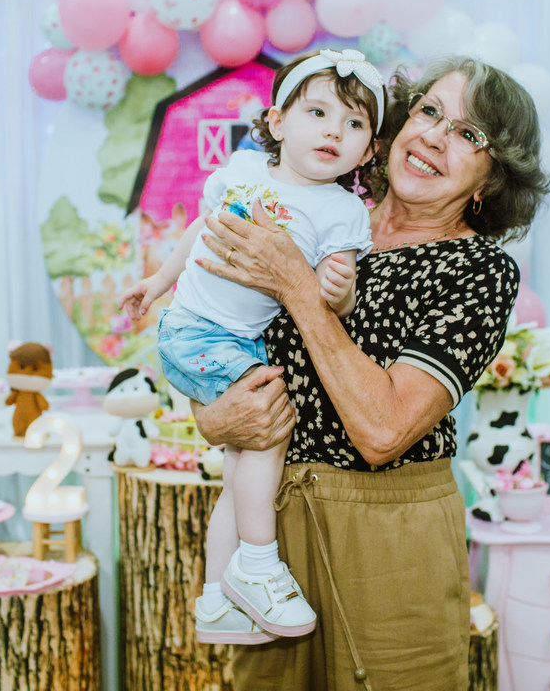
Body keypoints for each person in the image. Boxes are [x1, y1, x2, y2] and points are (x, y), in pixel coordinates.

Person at [191, 55, 550, 690]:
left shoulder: (478, 271)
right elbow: (213, 336)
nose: (436, 136)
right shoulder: (316, 211)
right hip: (266, 531)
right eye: (430, 111)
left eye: (469, 135)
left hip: (391, 537)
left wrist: (296, 285)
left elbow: (383, 432)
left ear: (491, 182)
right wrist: (213, 418)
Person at [119, 49, 386, 644]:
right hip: (192, 329)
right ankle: (259, 565)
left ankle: (217, 598)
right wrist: (158, 281)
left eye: (353, 124)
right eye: (317, 112)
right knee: (270, 426)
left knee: (242, 462)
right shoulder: (240, 173)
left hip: (237, 339)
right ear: (277, 121)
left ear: (368, 152)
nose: (332, 132)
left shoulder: (344, 210)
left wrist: (339, 294)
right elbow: (200, 230)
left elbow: (332, 294)